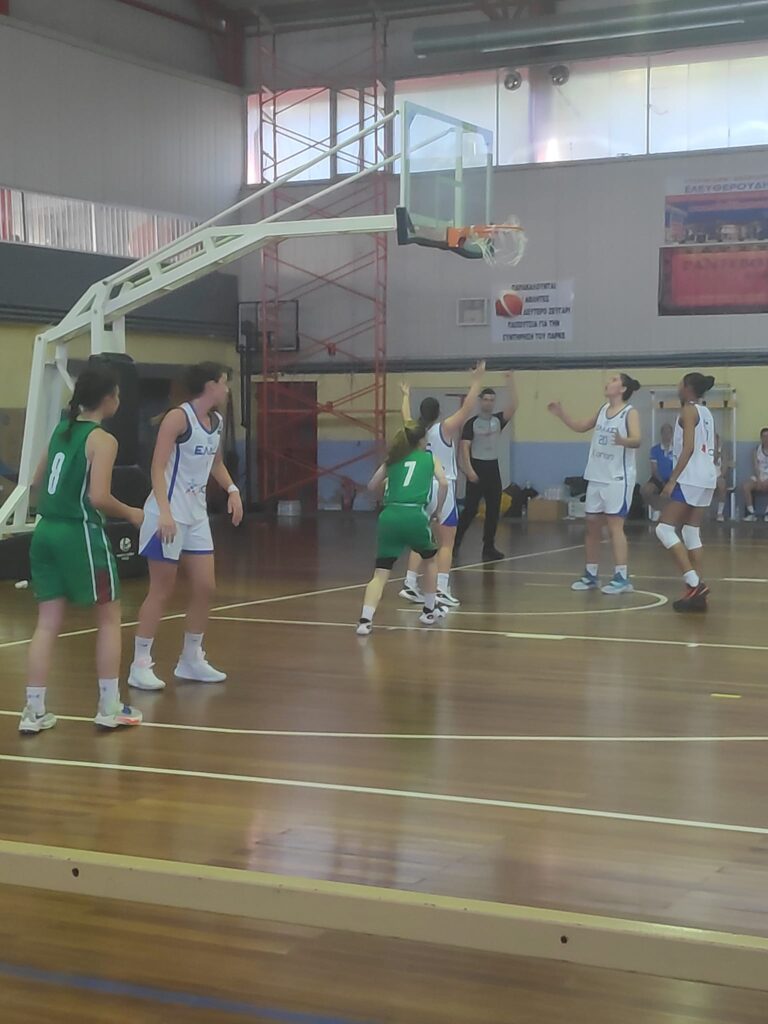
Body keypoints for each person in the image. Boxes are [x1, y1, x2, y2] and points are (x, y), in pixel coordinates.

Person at [19, 367, 144, 734]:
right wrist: (132, 512)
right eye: (117, 394)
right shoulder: (102, 439)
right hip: (79, 533)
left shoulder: (61, 429)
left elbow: (37, 480)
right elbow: (99, 497)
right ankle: (109, 705)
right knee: (109, 617)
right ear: (107, 398)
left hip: (44, 530)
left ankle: (33, 710)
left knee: (46, 623)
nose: (119, 399)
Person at [128, 363, 243, 690]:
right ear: (210, 385)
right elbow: (157, 467)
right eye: (224, 382)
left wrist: (233, 490)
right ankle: (140, 664)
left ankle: (191, 659)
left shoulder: (216, 421)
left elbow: (216, 463)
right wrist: (164, 513)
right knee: (161, 590)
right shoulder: (178, 418)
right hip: (167, 515)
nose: (227, 389)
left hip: (196, 516)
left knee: (206, 587)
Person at [399, 361, 486, 608]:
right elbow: (467, 409)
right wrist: (476, 381)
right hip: (442, 486)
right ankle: (441, 589)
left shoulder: (415, 431)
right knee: (447, 542)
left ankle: (410, 582)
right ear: (438, 413)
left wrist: (405, 396)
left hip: (421, 489)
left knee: (423, 537)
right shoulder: (443, 429)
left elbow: (405, 416)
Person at [548, 373, 641, 595]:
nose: (608, 382)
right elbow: (581, 426)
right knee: (591, 525)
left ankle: (622, 577)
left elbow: (637, 439)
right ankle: (591, 575)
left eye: (614, 380)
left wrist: (623, 441)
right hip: (597, 476)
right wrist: (562, 414)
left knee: (615, 526)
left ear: (623, 388)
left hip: (618, 478)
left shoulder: (630, 412)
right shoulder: (602, 409)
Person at [356, 421, 448, 636]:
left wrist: (391, 487)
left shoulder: (393, 460)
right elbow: (443, 483)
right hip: (415, 514)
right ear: (421, 441)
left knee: (380, 573)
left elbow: (371, 485)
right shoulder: (429, 458)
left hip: (389, 516)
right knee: (430, 559)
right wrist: (438, 510)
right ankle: (429, 611)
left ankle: (365, 621)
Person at [655, 373, 717, 612]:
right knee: (691, 532)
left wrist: (672, 480)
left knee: (663, 529)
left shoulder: (689, 410)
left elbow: (688, 447)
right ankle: (696, 596)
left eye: (680, 382)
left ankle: (694, 583)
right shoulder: (706, 412)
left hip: (691, 477)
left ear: (688, 387)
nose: (677, 385)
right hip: (707, 476)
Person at [454, 372, 518, 561]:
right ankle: (455, 542)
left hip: (492, 468)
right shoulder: (471, 423)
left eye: (492, 400)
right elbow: (464, 448)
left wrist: (510, 381)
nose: (489, 403)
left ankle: (488, 547)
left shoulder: (498, 421)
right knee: (471, 509)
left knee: (493, 509)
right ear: (480, 401)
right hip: (476, 467)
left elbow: (514, 405)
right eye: (486, 399)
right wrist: (469, 470)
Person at [641, 422, 674, 522]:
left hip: (673, 479)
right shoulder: (655, 450)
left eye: (668, 433)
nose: (666, 435)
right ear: (661, 434)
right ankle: (657, 509)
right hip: (658, 478)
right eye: (664, 433)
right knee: (645, 490)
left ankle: (669, 513)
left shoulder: (677, 449)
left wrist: (671, 482)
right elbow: (654, 470)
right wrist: (662, 482)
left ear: (672, 434)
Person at [742, 427, 768, 521]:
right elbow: (755, 466)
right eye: (764, 436)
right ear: (761, 438)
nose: (766, 439)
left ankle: (767, 513)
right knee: (745, 486)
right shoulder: (756, 450)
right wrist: (759, 480)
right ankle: (751, 513)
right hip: (759, 476)